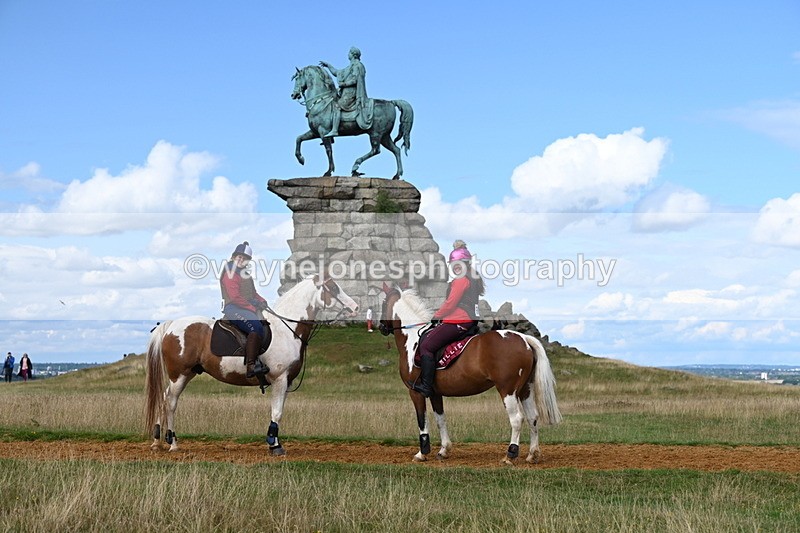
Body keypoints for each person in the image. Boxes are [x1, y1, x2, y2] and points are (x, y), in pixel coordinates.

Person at [410, 241, 485, 398]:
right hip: (469, 321)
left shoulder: (460, 280)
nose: (456, 267)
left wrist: (436, 316)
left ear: (466, 263)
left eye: (459, 264)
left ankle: (426, 386)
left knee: (426, 346)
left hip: (458, 321)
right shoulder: (473, 278)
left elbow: (450, 303)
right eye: (453, 264)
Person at [219, 241, 269, 378]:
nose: (241, 260)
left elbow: (253, 294)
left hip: (244, 307)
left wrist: (262, 301)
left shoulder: (244, 274)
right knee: (256, 328)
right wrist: (252, 307)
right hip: (233, 308)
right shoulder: (230, 273)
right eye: (239, 257)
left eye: (244, 258)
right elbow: (235, 297)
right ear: (234, 257)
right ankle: (251, 366)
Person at [319, 46, 373, 136]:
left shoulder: (357, 65)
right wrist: (328, 66)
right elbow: (337, 72)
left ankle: (335, 130)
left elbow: (355, 80)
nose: (348, 54)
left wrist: (344, 84)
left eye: (349, 53)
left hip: (351, 94)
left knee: (336, 106)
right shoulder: (350, 66)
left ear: (353, 54)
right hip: (346, 93)